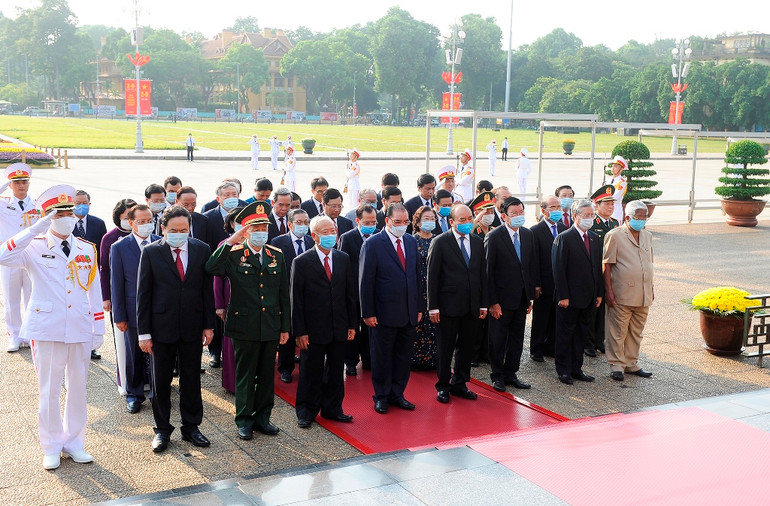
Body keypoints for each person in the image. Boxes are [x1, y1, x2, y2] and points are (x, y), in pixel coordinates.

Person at [0, 184, 104, 470]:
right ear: (47, 216)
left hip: (80, 326)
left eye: (70, 210)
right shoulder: (32, 246)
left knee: (78, 388)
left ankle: (74, 443)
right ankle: (51, 445)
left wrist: (98, 328)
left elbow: (94, 290)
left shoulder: (87, 248)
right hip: (46, 327)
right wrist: (36, 229)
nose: (68, 216)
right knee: (49, 390)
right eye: (59, 212)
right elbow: (2, 255)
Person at [206, 201, 290, 440]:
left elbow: (284, 294)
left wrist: (285, 327)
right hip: (243, 325)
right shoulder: (233, 254)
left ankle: (263, 419)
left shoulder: (276, 256)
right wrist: (232, 240)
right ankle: (244, 420)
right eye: (256, 228)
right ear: (245, 231)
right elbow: (211, 267)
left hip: (270, 325)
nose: (262, 232)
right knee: (245, 374)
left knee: (266, 375)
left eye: (265, 228)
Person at [137, 206, 215, 453]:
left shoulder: (201, 249)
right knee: (160, 381)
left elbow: (206, 291)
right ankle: (162, 430)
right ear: (163, 229)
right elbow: (143, 295)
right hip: (161, 327)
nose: (179, 234)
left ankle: (192, 427)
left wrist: (208, 325)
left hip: (192, 326)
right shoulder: (151, 252)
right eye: (174, 230)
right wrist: (144, 333)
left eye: (184, 230)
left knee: (191, 379)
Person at [292, 215, 357, 428]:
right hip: (313, 329)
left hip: (339, 326)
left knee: (336, 370)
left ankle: (333, 408)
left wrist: (351, 325)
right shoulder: (301, 262)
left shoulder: (343, 258)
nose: (331, 236)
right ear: (314, 236)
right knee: (311, 371)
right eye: (325, 232)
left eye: (333, 231)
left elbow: (350, 295)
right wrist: (299, 331)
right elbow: (297, 300)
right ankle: (306, 411)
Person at [359, 203, 421, 414]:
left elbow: (415, 277)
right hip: (383, 313)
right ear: (387, 221)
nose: (402, 226)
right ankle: (382, 396)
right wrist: (368, 312)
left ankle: (398, 393)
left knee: (403, 357)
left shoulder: (411, 242)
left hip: (408, 311)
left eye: (406, 222)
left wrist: (419, 306)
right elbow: (366, 281)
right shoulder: (374, 244)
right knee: (382, 357)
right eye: (398, 222)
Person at [428, 204, 487, 403]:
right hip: (447, 306)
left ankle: (460, 383)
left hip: (471, 305)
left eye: (470, 218)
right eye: (462, 220)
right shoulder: (440, 242)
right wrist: (433, 306)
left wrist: (483, 303)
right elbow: (432, 277)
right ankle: (443, 385)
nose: (467, 222)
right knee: (445, 348)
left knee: (466, 347)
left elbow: (482, 275)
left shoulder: (478, 242)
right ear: (452, 222)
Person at [110, 204, 159, 414]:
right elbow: (116, 283)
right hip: (132, 309)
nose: (146, 224)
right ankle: (134, 394)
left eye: (149, 220)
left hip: (159, 309)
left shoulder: (160, 242)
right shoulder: (119, 248)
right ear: (131, 223)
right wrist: (119, 315)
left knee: (160, 354)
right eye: (141, 221)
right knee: (134, 354)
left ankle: (158, 392)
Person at [485, 197, 538, 392]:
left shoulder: (527, 234)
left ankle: (511, 373)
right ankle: (497, 375)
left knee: (517, 338)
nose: (518, 216)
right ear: (504, 216)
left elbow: (530, 266)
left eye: (521, 212)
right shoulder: (494, 236)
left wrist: (529, 296)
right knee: (498, 338)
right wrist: (493, 302)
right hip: (501, 299)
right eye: (513, 213)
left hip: (521, 297)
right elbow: (488, 272)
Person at [551, 200, 603, 385]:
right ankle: (563, 370)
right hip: (569, 297)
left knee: (581, 333)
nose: (590, 219)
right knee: (565, 334)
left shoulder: (594, 238)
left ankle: (576, 367)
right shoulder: (564, 238)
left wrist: (598, 293)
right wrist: (563, 296)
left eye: (592, 215)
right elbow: (559, 269)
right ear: (575, 216)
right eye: (586, 215)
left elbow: (597, 268)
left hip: (588, 296)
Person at [603, 200, 655, 382]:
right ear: (627, 217)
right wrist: (608, 291)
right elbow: (607, 265)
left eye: (644, 218)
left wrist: (651, 288)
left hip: (643, 294)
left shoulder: (647, 235)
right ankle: (616, 364)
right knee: (617, 331)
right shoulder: (615, 235)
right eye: (638, 218)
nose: (641, 221)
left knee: (636, 331)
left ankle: (631, 362)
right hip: (621, 293)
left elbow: (649, 264)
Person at [271, 208, 314, 383]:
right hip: (286, 293)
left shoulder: (312, 241)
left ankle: (307, 365)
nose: (303, 226)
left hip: (309, 295)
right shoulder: (278, 242)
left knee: (308, 331)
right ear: (289, 224)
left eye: (306, 222)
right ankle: (285, 368)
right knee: (287, 332)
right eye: (299, 222)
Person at [0, 163, 39, 352]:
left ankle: (31, 333)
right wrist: (3, 186)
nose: (21, 186)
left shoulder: (38, 205)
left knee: (33, 296)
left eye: (24, 182)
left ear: (29, 183)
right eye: (16, 182)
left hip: (32, 256)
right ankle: (15, 335)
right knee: (11, 297)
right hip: (10, 257)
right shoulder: (4, 204)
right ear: (10, 185)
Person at [100, 198, 137, 396]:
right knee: (124, 342)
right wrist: (106, 297)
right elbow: (104, 269)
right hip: (119, 297)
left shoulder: (146, 235)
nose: (130, 221)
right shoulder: (110, 238)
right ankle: (125, 381)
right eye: (126, 217)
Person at [339, 204, 378, 376]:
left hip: (374, 291)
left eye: (374, 221)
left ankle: (369, 359)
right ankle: (351, 361)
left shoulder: (379, 236)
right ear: (358, 221)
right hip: (353, 290)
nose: (371, 225)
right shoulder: (348, 238)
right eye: (367, 222)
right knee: (352, 327)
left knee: (370, 327)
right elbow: (342, 264)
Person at [529, 196, 567, 361]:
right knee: (541, 317)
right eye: (553, 207)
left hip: (559, 281)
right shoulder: (535, 231)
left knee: (556, 317)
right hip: (543, 281)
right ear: (544, 210)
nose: (557, 209)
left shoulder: (564, 228)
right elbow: (533, 259)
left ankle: (550, 346)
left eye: (558, 206)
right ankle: (536, 349)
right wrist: (536, 283)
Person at [72, 189, 108, 360]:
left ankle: (91, 345)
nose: (80, 206)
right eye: (77, 203)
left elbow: (102, 251)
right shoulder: (65, 223)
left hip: (93, 274)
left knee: (92, 309)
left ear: (89, 204)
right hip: (72, 276)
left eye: (84, 203)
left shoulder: (98, 223)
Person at [586, 184, 620, 357]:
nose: (610, 206)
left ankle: (600, 340)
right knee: (593, 308)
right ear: (596, 205)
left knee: (604, 310)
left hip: (610, 272)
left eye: (612, 204)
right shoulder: (591, 223)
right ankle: (588, 343)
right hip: (594, 272)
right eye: (606, 203)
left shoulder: (615, 223)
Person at [213, 206, 243, 393]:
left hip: (254, 303)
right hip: (230, 299)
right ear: (232, 224)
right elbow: (217, 278)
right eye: (239, 222)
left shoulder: (258, 243)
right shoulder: (225, 244)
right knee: (231, 343)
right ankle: (232, 383)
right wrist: (219, 305)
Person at [411, 206, 438, 370]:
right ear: (418, 222)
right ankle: (415, 359)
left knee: (434, 325)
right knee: (418, 324)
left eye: (432, 218)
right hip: (417, 287)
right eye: (426, 219)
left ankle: (433, 359)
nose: (430, 221)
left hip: (434, 288)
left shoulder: (439, 239)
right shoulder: (411, 241)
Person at [608, 155, 628, 223]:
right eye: (612, 166)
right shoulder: (608, 180)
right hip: (606, 208)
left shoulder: (622, 182)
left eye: (616, 167)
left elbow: (615, 197)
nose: (613, 168)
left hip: (615, 209)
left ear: (621, 169)